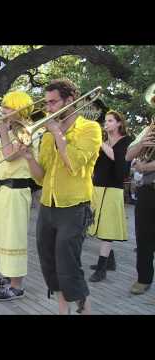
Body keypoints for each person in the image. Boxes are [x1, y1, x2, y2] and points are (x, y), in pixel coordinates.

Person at [20, 79, 102, 315]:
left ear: (70, 101)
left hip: (74, 206)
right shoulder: (46, 135)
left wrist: (56, 132)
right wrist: (28, 157)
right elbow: (40, 178)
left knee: (69, 265)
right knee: (50, 264)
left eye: (53, 102)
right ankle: (62, 311)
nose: (48, 108)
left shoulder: (90, 128)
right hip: (47, 206)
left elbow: (74, 163)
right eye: (47, 103)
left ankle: (84, 311)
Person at [0, 92, 42, 301]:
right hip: (2, 189)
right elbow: (0, 158)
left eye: (7, 108)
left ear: (20, 109)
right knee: (1, 234)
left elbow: (11, 157)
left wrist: (2, 133)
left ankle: (17, 286)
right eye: (3, 107)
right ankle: (8, 276)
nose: (2, 111)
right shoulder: (10, 130)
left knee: (13, 237)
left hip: (16, 190)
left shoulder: (27, 131)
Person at [88, 110, 132, 282]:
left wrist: (100, 143)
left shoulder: (126, 141)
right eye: (105, 121)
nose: (106, 124)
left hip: (113, 189)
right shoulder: (104, 142)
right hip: (98, 187)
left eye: (111, 121)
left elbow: (118, 158)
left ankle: (101, 268)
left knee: (107, 230)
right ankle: (109, 260)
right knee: (98, 226)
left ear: (119, 123)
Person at [125, 117, 155, 295]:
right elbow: (129, 155)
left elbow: (142, 166)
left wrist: (146, 167)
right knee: (143, 237)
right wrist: (143, 142)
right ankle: (144, 278)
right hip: (147, 190)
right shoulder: (149, 129)